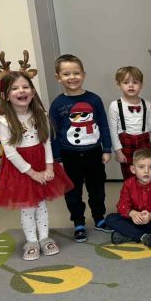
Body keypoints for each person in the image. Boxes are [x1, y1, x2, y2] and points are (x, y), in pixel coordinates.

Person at [0, 71, 73, 260]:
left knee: (41, 205)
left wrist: (49, 167)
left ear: (32, 91)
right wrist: (32, 173)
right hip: (21, 169)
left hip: (41, 163)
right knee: (28, 207)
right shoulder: (3, 121)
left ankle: (44, 238)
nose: (21, 91)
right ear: (5, 95)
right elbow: (10, 152)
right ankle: (31, 241)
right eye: (15, 88)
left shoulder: (40, 115)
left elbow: (46, 142)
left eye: (25, 86)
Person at [49, 54, 113, 242]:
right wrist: (57, 158)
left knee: (97, 188)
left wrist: (107, 149)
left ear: (83, 74)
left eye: (76, 73)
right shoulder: (57, 104)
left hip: (94, 153)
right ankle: (78, 223)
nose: (72, 77)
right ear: (58, 77)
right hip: (69, 156)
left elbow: (104, 125)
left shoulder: (94, 99)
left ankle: (99, 218)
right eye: (66, 74)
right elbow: (53, 133)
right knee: (72, 191)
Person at [105, 148, 151, 249]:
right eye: (141, 167)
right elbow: (122, 205)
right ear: (133, 169)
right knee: (110, 219)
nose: (146, 171)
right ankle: (144, 236)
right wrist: (132, 213)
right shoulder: (128, 184)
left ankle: (130, 235)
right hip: (134, 220)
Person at [107, 66, 151, 180]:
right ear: (119, 85)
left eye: (135, 82)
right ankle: (131, 192)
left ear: (141, 85)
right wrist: (118, 152)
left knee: (146, 172)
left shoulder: (147, 104)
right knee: (129, 176)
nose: (131, 85)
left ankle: (146, 192)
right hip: (125, 143)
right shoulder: (115, 105)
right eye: (126, 82)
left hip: (144, 142)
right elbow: (113, 131)